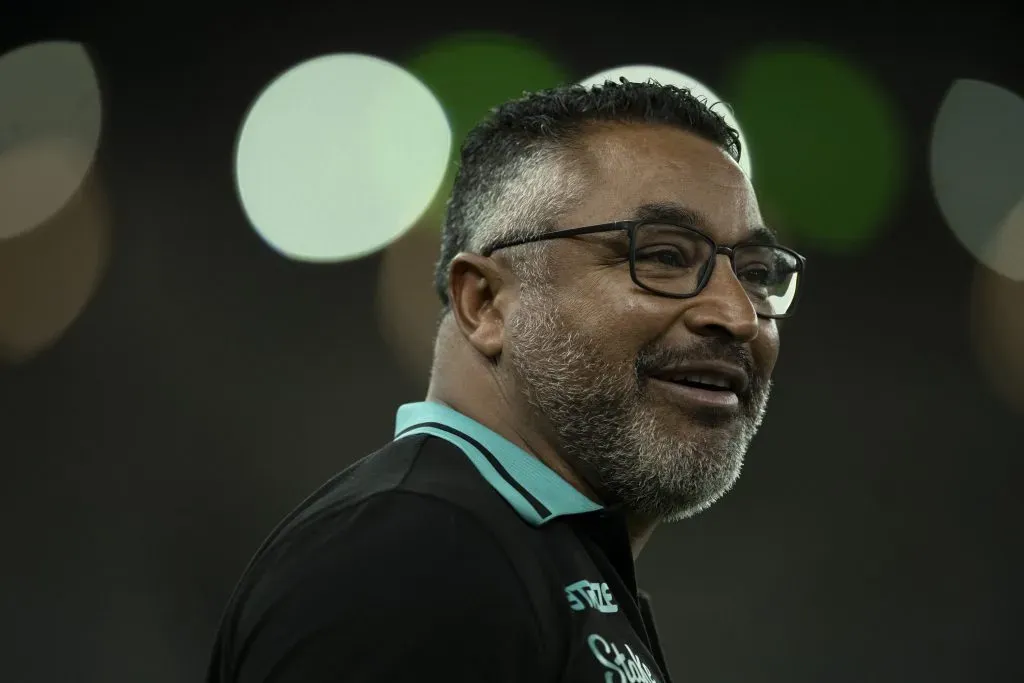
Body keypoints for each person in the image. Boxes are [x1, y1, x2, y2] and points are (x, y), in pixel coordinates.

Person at [206, 78, 805, 683]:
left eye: (756, 272)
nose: (737, 315)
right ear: (485, 302)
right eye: (663, 257)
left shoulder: (523, 559)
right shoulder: (415, 559)